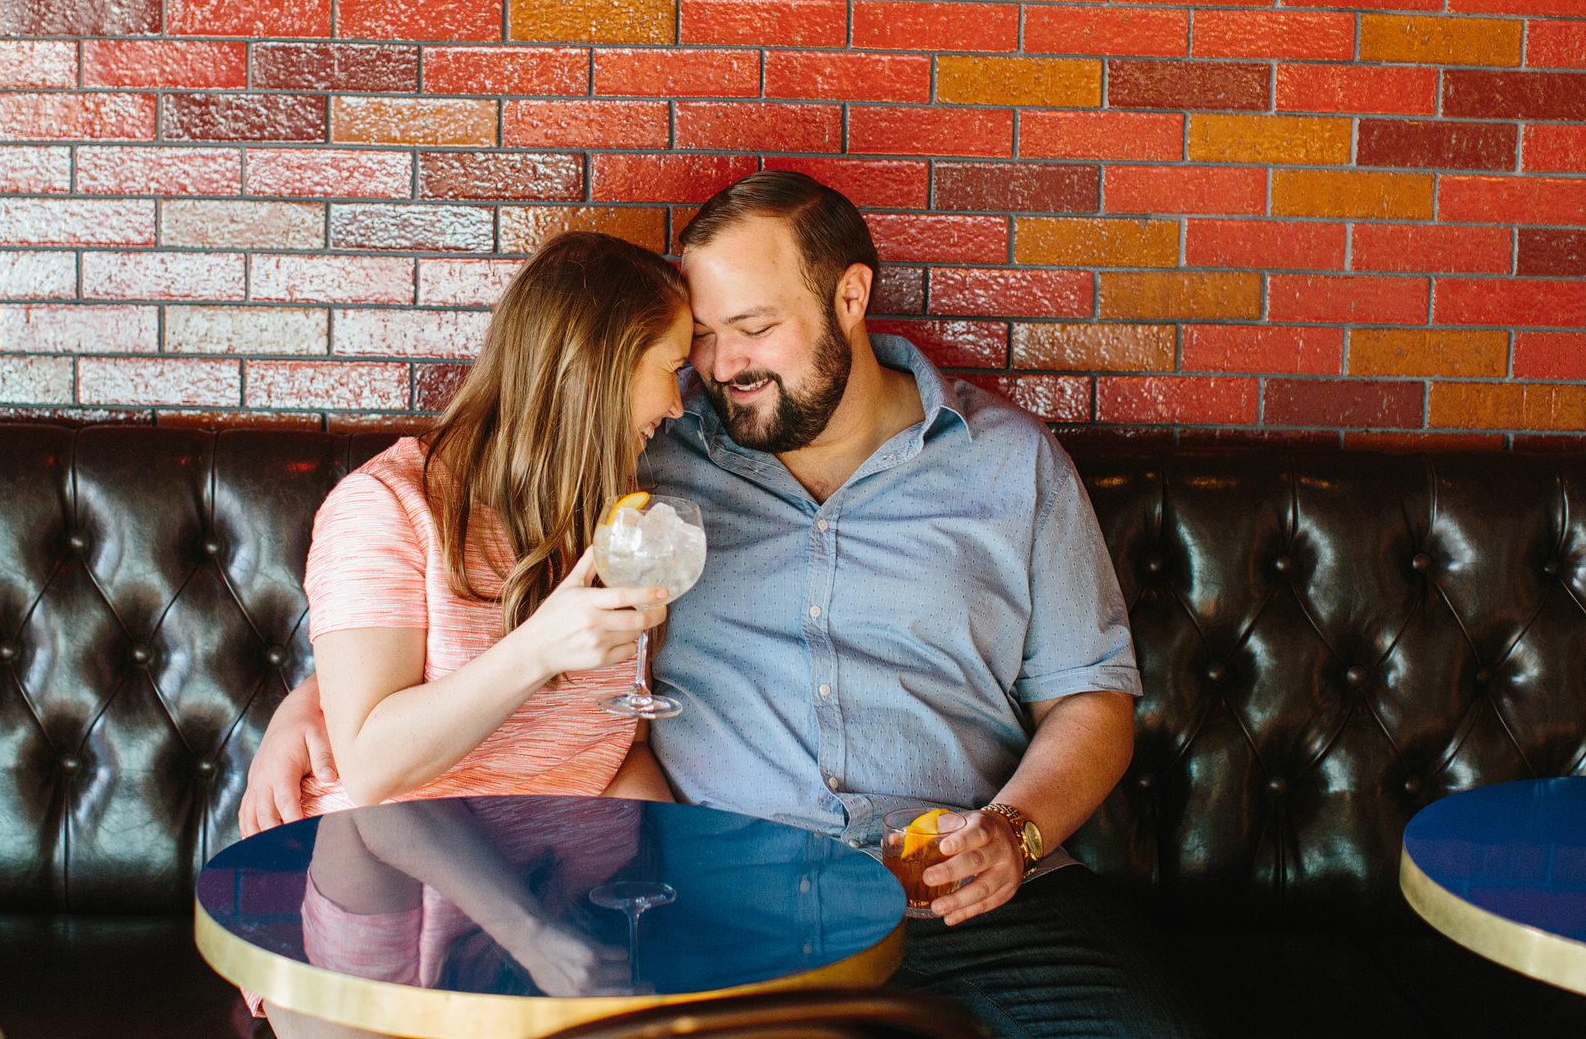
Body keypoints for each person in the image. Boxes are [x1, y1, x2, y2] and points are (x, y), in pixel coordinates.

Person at [248, 173, 1209, 1039]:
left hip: (982, 886)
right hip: (739, 890)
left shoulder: (1012, 464)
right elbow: (469, 566)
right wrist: (311, 705)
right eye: (701, 339)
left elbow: (1092, 699)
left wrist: (1016, 829)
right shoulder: (652, 459)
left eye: (754, 328)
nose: (720, 366)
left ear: (850, 296)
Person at [249, 229, 693, 1035]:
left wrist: (659, 884)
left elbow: (615, 740)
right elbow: (375, 768)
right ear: (594, 367)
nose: (678, 404)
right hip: (393, 923)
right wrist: (534, 649)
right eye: (669, 368)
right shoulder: (389, 507)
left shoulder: (607, 525)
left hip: (565, 930)